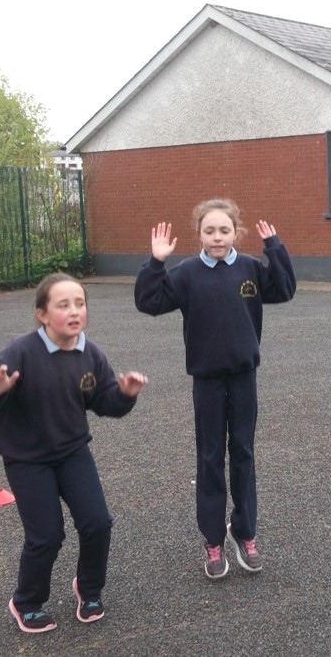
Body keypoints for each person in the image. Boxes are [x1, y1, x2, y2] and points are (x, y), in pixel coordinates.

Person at [0, 273, 149, 634]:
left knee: (97, 523)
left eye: (80, 303)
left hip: (71, 451)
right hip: (27, 458)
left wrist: (124, 395)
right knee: (47, 536)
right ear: (42, 314)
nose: (74, 311)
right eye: (63, 305)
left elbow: (104, 402)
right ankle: (27, 602)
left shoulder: (90, 353)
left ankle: (89, 589)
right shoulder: (21, 351)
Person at [134, 199, 296, 580]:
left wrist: (275, 248)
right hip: (206, 381)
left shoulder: (250, 268)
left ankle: (245, 531)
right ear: (200, 234)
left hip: (243, 378)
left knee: (243, 453)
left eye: (224, 230)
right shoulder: (187, 273)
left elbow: (285, 288)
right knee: (209, 457)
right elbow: (148, 301)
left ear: (236, 232)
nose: (218, 237)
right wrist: (156, 262)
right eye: (210, 231)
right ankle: (213, 540)